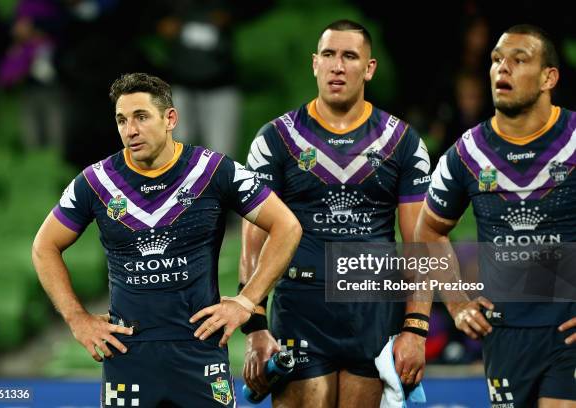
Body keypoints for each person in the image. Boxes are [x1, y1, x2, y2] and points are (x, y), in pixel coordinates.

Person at [31, 72, 302, 407]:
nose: (130, 130)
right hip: (128, 359)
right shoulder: (94, 182)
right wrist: (77, 319)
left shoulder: (213, 171)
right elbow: (44, 247)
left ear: (170, 118)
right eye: (122, 120)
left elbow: (287, 226)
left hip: (200, 355)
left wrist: (247, 302)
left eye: (141, 117)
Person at [240, 20, 432, 407]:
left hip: (375, 311)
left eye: (349, 56)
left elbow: (421, 246)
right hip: (300, 309)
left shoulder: (403, 142)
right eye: (328, 55)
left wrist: (416, 330)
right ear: (315, 63)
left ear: (370, 67)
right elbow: (252, 248)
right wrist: (255, 329)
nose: (338, 66)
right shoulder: (275, 140)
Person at [416, 25, 576, 407]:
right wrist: (456, 303)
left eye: (519, 60)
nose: (503, 68)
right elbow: (429, 229)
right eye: (497, 60)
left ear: (548, 77)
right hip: (504, 335)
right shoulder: (466, 153)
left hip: (568, 333)